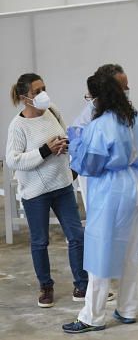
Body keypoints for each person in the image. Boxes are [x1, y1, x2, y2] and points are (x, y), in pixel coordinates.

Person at [62, 73, 138, 333]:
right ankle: (128, 309)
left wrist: (76, 147)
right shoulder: (135, 118)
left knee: (100, 253)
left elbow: (89, 165)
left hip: (111, 190)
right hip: (137, 184)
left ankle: (92, 315)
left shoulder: (100, 125)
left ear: (98, 97)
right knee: (130, 251)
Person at [6, 73, 87, 308]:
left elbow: (65, 133)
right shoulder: (18, 126)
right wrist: (45, 151)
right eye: (37, 91)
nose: (43, 95)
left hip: (62, 185)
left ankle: (82, 284)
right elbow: (13, 160)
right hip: (35, 192)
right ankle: (46, 286)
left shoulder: (52, 110)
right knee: (40, 241)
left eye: (44, 88)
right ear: (25, 98)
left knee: (76, 236)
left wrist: (64, 145)